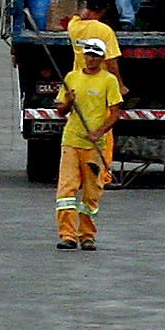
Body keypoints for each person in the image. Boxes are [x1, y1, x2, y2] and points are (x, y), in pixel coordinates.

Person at [56, 37, 123, 251]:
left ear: (102, 58)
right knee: (66, 190)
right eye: (88, 55)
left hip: (94, 146)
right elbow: (60, 111)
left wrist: (99, 132)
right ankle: (68, 235)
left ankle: (87, 235)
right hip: (71, 141)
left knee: (91, 194)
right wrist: (68, 102)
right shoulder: (72, 78)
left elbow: (115, 113)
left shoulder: (108, 81)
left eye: (95, 55)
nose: (91, 59)